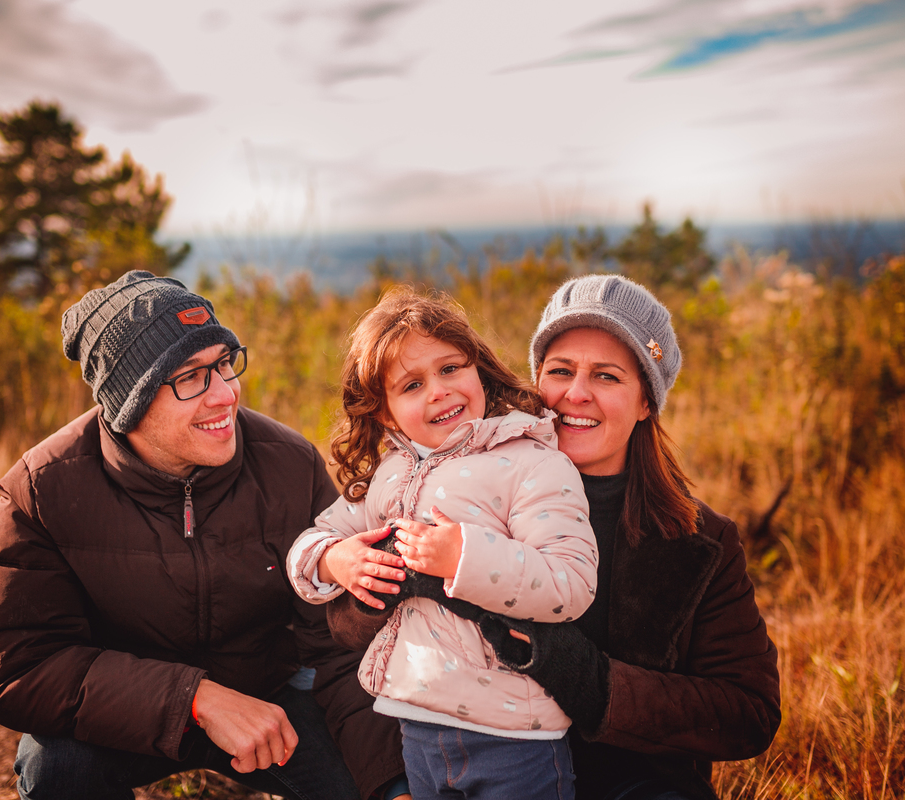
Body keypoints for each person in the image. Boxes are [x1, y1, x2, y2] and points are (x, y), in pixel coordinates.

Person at [327, 275, 781, 800]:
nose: (576, 394)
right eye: (560, 371)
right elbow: (354, 641)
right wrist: (395, 785)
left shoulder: (701, 544)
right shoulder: (453, 488)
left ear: (645, 402)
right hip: (466, 769)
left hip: (635, 785)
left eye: (607, 376)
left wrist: (589, 680)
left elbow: (747, 711)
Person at [0, 270, 405, 800]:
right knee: (57, 771)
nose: (225, 394)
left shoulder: (289, 465)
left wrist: (392, 785)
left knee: (364, 778)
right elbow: (19, 665)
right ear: (129, 401)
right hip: (125, 713)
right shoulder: (43, 490)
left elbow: (336, 646)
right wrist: (195, 699)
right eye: (191, 377)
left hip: (269, 695)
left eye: (224, 363)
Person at [286, 288, 599, 800]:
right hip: (415, 725)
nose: (439, 391)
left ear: (479, 371)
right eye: (412, 385)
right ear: (385, 413)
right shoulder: (389, 475)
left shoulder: (530, 461)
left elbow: (571, 582)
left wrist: (464, 557)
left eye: (451, 368)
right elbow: (312, 540)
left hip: (513, 735)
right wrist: (334, 558)